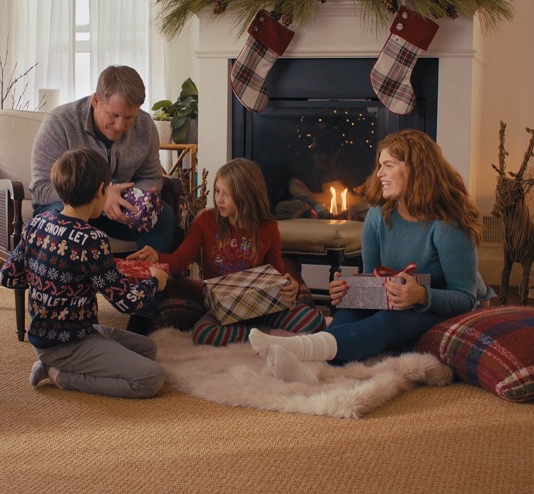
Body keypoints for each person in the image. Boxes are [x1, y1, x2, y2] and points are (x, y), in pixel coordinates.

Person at [247, 129, 495, 383]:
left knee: (390, 318)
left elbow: (466, 297)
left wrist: (422, 295)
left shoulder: (448, 224)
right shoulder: (378, 215)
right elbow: (371, 282)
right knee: (352, 306)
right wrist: (350, 291)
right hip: (399, 303)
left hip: (441, 308)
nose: (379, 174)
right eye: (379, 166)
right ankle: (311, 368)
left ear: (416, 169)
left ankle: (299, 348)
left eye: (388, 165)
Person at [0, 147, 169, 398]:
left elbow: (8, 276)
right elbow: (125, 302)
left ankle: (58, 362)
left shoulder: (38, 222)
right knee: (151, 377)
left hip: (67, 331)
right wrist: (155, 281)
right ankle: (59, 374)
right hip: (66, 344)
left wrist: (47, 272)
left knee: (147, 348)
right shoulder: (91, 239)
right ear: (102, 190)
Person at [127, 158, 326, 346]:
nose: (218, 199)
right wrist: (157, 256)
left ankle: (256, 335)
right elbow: (179, 261)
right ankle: (265, 337)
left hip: (261, 305)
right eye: (217, 191)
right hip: (223, 309)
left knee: (314, 321)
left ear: (246, 196)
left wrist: (292, 286)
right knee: (204, 334)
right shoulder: (206, 220)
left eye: (226, 194)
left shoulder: (268, 227)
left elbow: (277, 272)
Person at [30, 65, 175, 253]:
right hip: (69, 208)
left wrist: (136, 199)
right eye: (113, 115)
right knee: (60, 215)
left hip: (119, 210)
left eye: (129, 117)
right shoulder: (60, 122)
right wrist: (99, 196)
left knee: (164, 216)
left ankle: (146, 278)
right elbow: (41, 189)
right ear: (97, 100)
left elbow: (152, 177)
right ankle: (68, 282)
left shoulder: (145, 126)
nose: (120, 126)